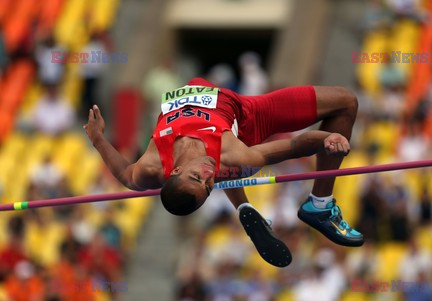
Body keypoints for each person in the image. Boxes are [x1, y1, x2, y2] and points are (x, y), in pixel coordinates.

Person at [84, 77, 364, 267]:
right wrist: (325, 140)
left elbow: (123, 174)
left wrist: (98, 139)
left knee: (227, 168)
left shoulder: (149, 167)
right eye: (208, 186)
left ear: (176, 170)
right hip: (250, 114)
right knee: (346, 101)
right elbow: (293, 145)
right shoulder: (235, 157)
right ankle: (320, 205)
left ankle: (242, 204)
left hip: (222, 103)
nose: (207, 175)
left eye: (197, 177)